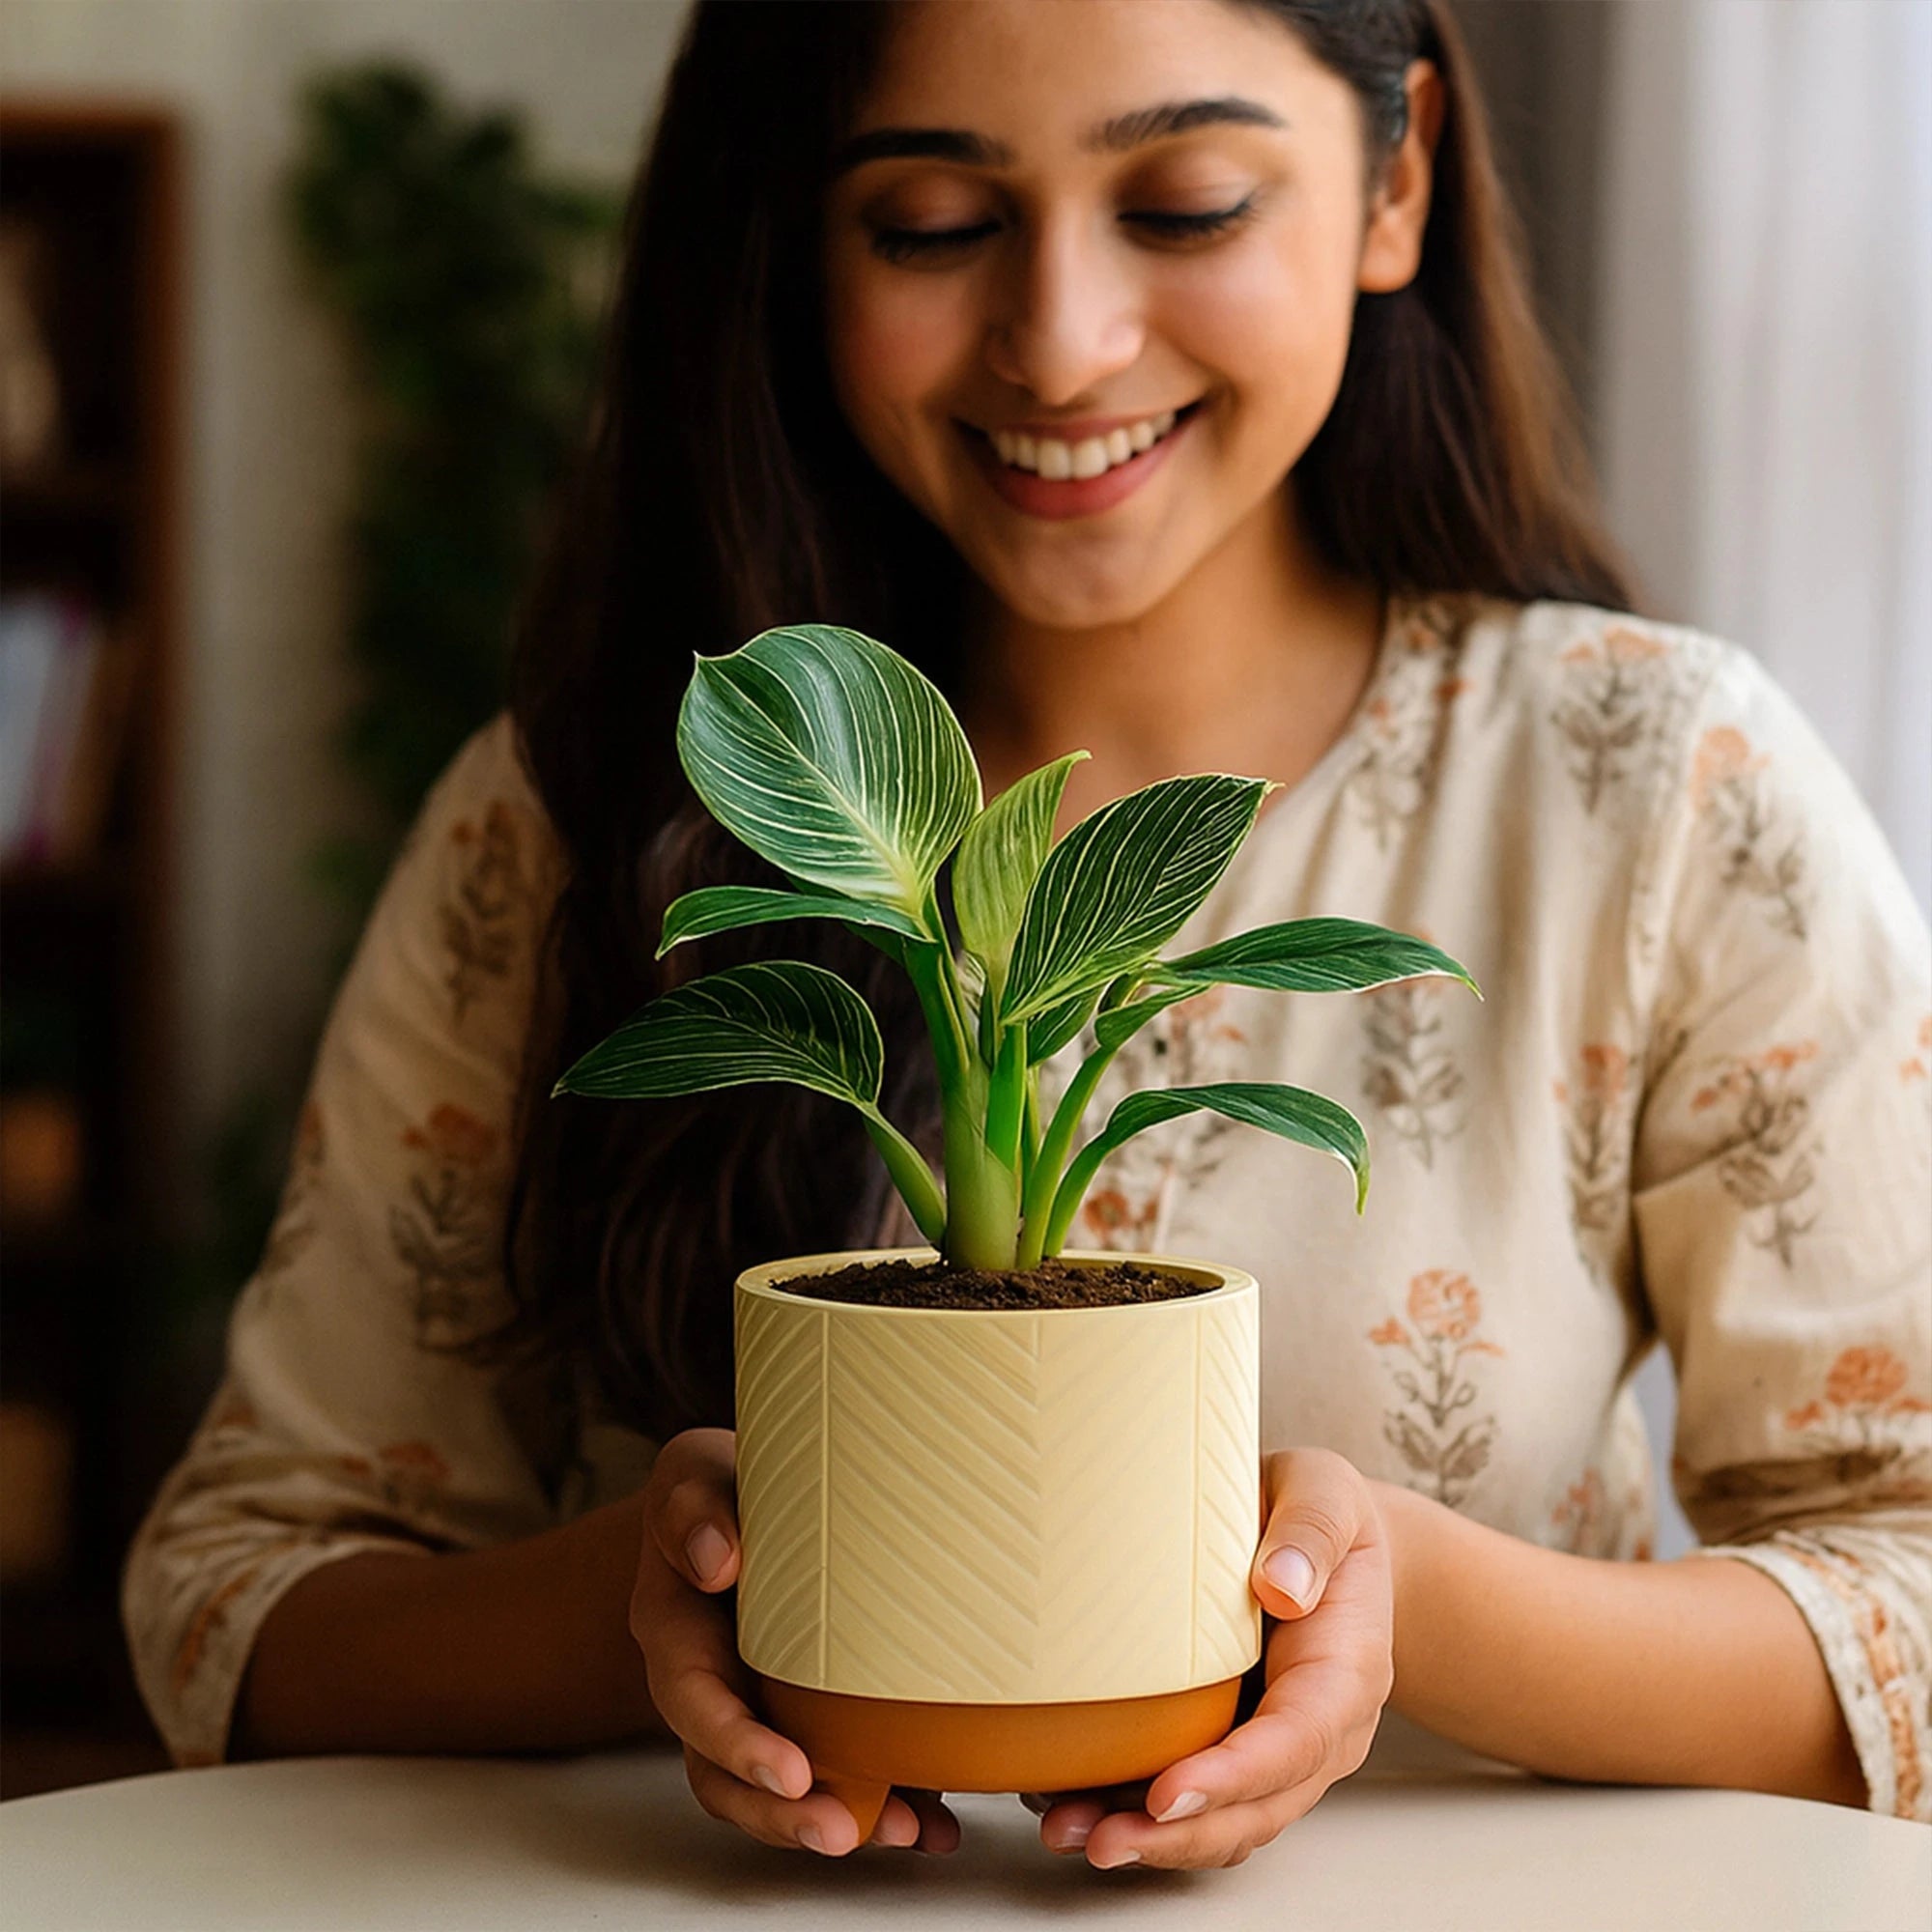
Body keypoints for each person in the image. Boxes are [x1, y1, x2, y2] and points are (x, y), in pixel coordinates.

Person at [126, 0, 1931, 1867]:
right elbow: (232, 1603)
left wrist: (1391, 1595)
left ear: (1397, 181)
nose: (1063, 344)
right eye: (928, 223)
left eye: (1192, 202)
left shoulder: (1654, 789)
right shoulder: (583, 812)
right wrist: (670, 1600)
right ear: (793, 234)